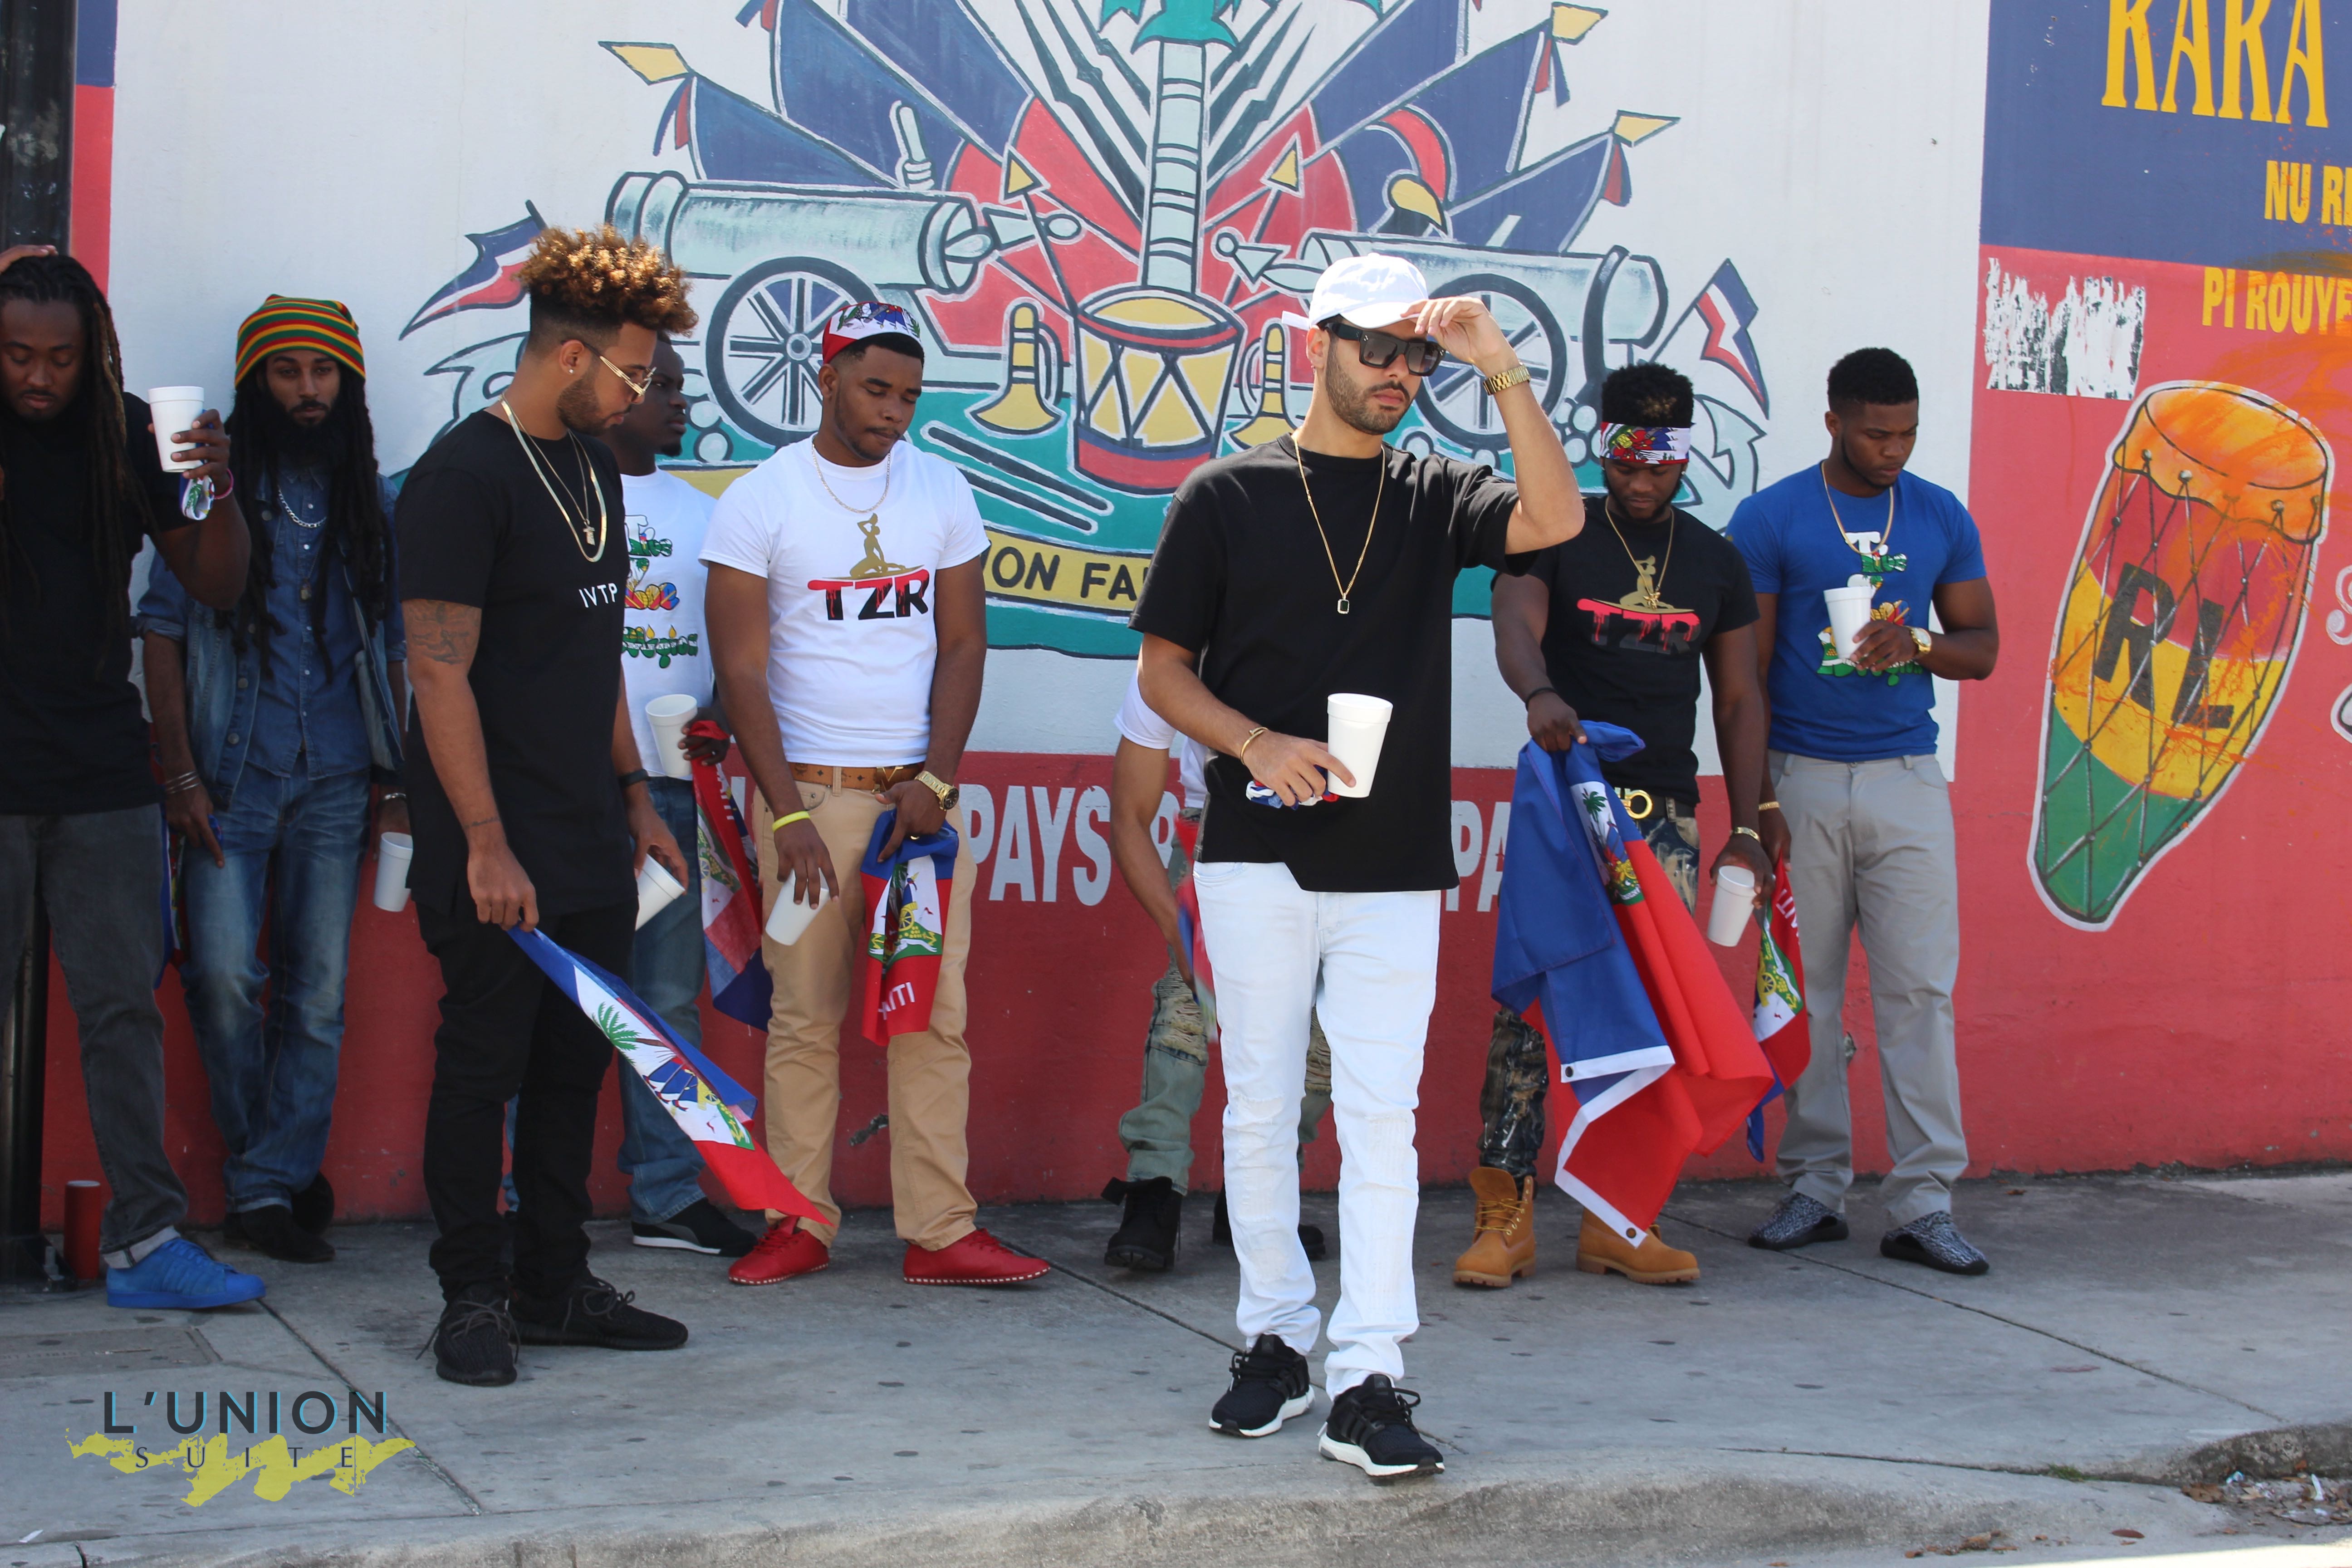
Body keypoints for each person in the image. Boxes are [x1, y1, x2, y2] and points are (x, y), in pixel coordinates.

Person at [1132, 254, 1581, 1481]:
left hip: (1392, 863)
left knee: (1383, 1118)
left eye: (1416, 354)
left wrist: (1500, 366)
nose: (1398, 372)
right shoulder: (1226, 495)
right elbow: (1163, 671)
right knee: (1261, 1104)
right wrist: (1255, 745)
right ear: (1317, 342)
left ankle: (1369, 1373)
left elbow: (1555, 521)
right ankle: (1274, 1339)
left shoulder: (1435, 491)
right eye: (1376, 346)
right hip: (1255, 854)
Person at [400, 225, 698, 1386]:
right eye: (633, 373)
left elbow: (596, 651)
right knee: (484, 1067)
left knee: (577, 1065)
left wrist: (634, 794)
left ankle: (555, 1283)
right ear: (572, 357)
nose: (642, 396)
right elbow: (438, 675)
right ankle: (471, 1297)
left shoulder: (594, 469)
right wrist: (484, 843)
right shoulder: (462, 478)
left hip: (585, 830)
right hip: (491, 838)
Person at [704, 301, 1045, 1289]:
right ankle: (797, 1222)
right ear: (828, 379)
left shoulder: (940, 488)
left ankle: (939, 1231)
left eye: (908, 396)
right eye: (875, 389)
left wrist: (936, 780)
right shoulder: (761, 500)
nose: (893, 412)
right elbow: (740, 671)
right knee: (804, 1020)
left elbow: (964, 644)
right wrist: (787, 813)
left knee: (932, 1019)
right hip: (807, 804)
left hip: (915, 816)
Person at [1454, 362, 1775, 1291]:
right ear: (1603, 449)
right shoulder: (1558, 532)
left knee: (1654, 1019)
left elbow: (1740, 699)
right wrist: (1540, 693)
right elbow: (1513, 623)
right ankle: (1505, 1215)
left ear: (1685, 459)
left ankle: (1620, 1217)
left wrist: (1752, 823)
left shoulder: (1716, 561)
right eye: (1626, 462)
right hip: (1567, 804)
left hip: (1661, 817)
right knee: (1531, 1009)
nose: (1641, 481)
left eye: (1659, 465)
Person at [0, 247, 261, 1309]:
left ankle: (146, 1245)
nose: (38, 377)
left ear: (95, 352)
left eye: (60, 358)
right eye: (17, 355)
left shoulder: (132, 433)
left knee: (123, 1014)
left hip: (102, 768)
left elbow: (218, 583)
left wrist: (216, 488)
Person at [139, 296, 402, 1267]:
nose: (308, 389)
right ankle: (275, 1173)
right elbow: (160, 631)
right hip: (229, 777)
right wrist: (179, 776)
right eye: (287, 372)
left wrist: (398, 781)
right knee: (222, 980)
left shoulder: (371, 503)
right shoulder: (211, 494)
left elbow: (396, 646)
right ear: (257, 384)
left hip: (336, 777)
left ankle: (265, 1182)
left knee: (318, 995)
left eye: (324, 372)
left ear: (349, 385)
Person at [1728, 347, 1999, 1276]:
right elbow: (1745, 675)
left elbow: (1982, 646)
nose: (1894, 450)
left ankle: (1925, 1203)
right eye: (1877, 434)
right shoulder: (1772, 518)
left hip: (1907, 778)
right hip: (1802, 777)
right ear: (1835, 422)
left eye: (1907, 434)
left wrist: (1915, 640)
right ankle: (1815, 1187)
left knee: (1920, 994)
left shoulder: (1938, 513)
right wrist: (1760, 798)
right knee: (1806, 993)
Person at [602, 333, 755, 1259]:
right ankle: (517, 1198)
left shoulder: (709, 518)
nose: (678, 401)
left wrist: (721, 722)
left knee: (664, 998)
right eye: (657, 384)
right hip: (568, 790)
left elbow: (742, 651)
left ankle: (665, 1194)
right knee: (545, 993)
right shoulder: (555, 501)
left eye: (680, 385)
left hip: (670, 786)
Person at [1101, 659, 1332, 1271]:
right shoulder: (1179, 656)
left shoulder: (1342, 634)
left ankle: (1262, 1194)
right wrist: (1177, 930)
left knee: (1319, 1031)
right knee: (1188, 1010)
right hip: (1219, 833)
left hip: (1332, 839)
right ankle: (1153, 1192)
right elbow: (1129, 815)